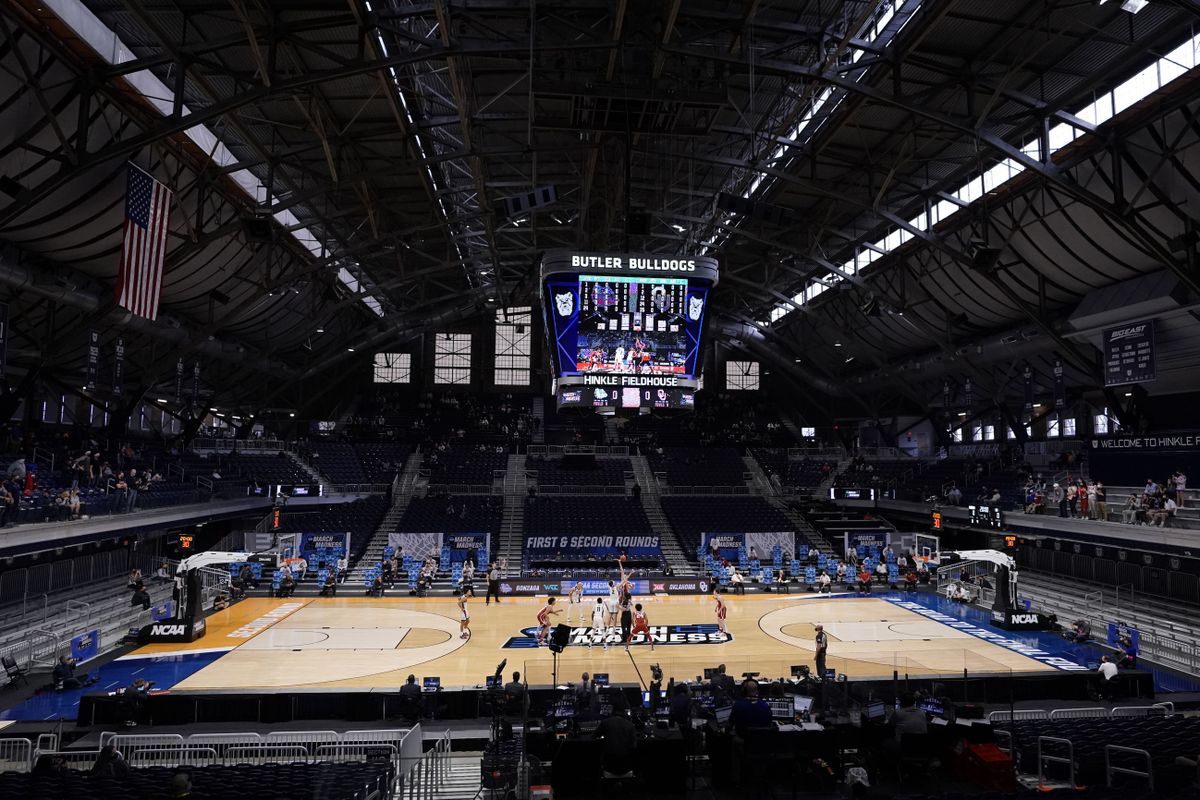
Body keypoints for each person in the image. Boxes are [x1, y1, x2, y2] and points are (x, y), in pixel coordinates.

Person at [594, 697, 638, 776]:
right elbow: (634, 746)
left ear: (613, 710)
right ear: (624, 712)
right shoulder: (630, 725)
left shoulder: (605, 722)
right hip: (626, 767)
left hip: (609, 767)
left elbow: (594, 736)